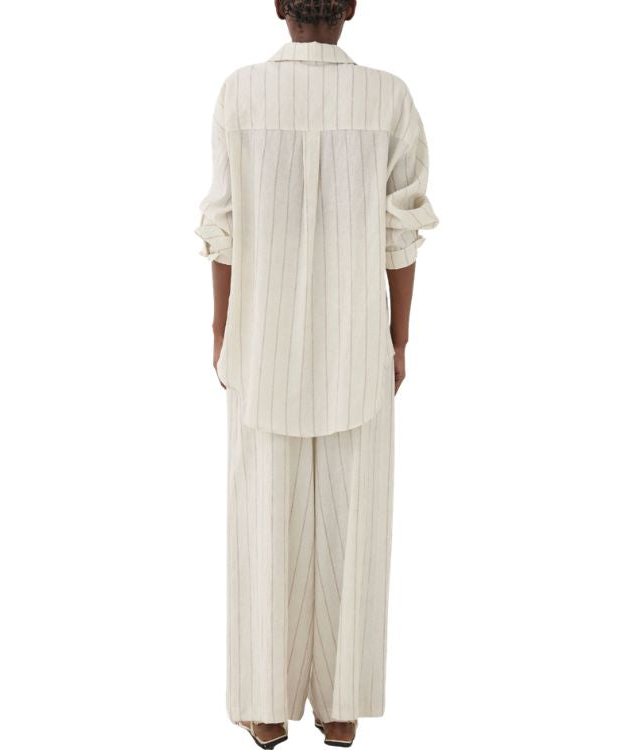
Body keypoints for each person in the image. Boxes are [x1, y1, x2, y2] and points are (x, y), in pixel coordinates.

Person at [195, 1, 438, 746]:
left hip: (260, 339)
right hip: (357, 342)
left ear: (279, 6)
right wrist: (398, 337)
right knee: (353, 522)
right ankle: (341, 708)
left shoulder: (240, 93)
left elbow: (222, 226)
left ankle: (265, 707)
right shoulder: (388, 98)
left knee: (263, 522)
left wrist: (221, 326)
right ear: (351, 7)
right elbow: (401, 233)